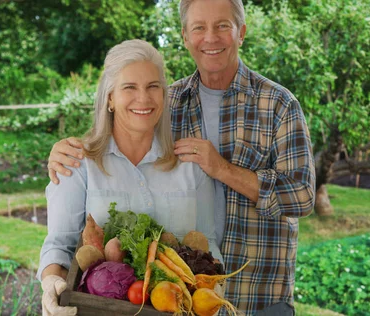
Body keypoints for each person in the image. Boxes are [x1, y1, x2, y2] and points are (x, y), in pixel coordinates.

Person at [47, 0, 315, 314]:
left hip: (258, 291)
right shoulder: (167, 100)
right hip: (181, 299)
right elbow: (124, 122)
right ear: (185, 37)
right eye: (199, 27)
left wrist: (221, 168)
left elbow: (303, 197)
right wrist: (66, 153)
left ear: (241, 32)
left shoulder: (278, 104)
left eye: (223, 26)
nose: (210, 37)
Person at [37, 39, 223, 316]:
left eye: (153, 87)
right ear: (110, 97)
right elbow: (59, 246)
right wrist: (52, 282)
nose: (143, 99)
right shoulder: (78, 163)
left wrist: (214, 294)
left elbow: (209, 243)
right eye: (129, 88)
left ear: (164, 95)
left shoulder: (191, 165)